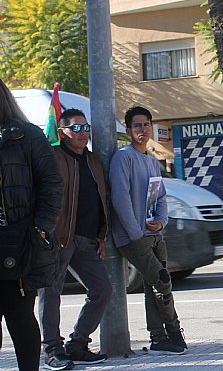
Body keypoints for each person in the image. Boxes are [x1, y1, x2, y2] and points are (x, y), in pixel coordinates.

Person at [38, 109, 112, 370]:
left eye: (86, 127)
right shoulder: (54, 157)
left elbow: (100, 198)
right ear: (62, 132)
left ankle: (77, 345)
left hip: (86, 239)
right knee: (50, 293)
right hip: (58, 238)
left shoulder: (93, 161)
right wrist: (44, 232)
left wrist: (100, 235)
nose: (83, 133)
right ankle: (52, 351)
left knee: (102, 290)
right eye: (76, 128)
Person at [109, 106, 186, 355]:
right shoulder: (123, 158)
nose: (143, 130)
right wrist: (136, 232)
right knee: (161, 281)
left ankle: (158, 338)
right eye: (137, 126)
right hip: (133, 237)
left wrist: (161, 222)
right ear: (129, 130)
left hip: (154, 233)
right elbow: (120, 199)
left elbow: (160, 197)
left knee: (155, 284)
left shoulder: (152, 162)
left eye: (146, 124)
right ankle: (174, 331)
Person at [0, 79, 63, 370]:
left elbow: (52, 185)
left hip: (20, 242)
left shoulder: (26, 136)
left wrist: (40, 228)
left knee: (20, 317)